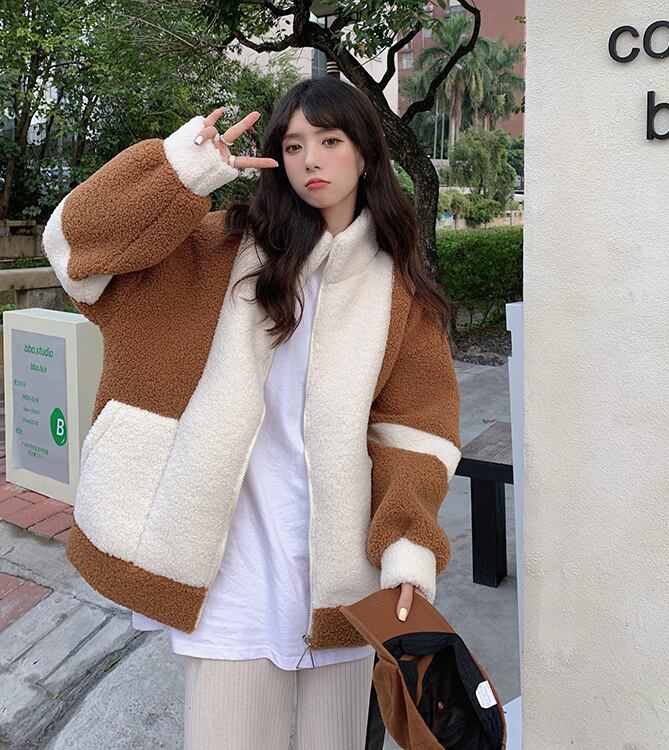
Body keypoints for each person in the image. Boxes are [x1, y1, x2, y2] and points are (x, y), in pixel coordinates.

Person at [42, 76, 461, 749]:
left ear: (365, 154)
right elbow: (75, 252)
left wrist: (408, 547)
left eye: (330, 140)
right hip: (229, 572)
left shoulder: (398, 289)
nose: (311, 160)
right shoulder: (215, 251)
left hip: (342, 576)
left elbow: (417, 432)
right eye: (294, 145)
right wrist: (177, 171)